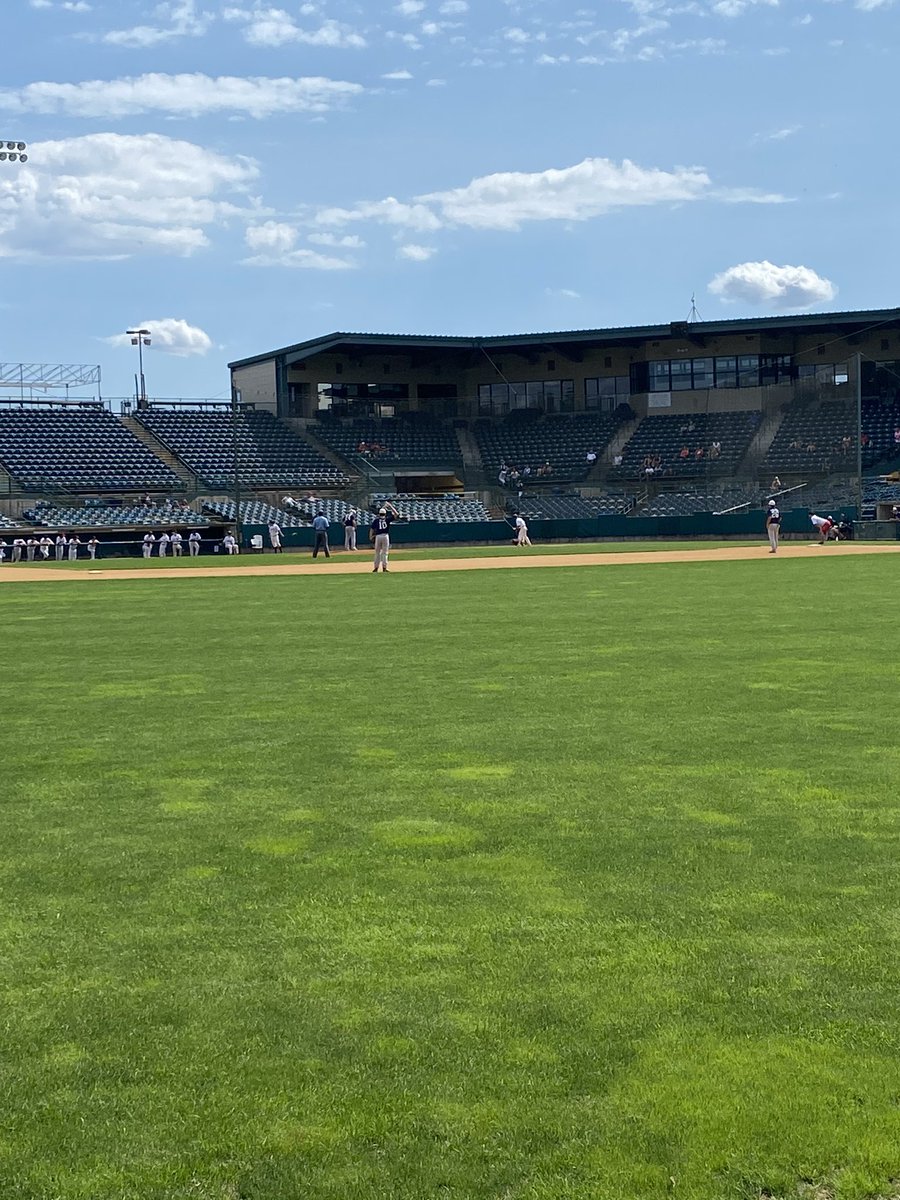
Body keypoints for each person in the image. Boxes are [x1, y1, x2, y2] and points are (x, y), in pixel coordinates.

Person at [370, 502, 400, 572]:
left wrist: (370, 536)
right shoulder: (387, 519)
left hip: (378, 536)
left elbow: (372, 529)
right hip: (385, 536)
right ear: (385, 514)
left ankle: (376, 567)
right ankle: (384, 567)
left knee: (377, 552)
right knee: (385, 552)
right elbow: (396, 514)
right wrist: (391, 506)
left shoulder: (376, 520)